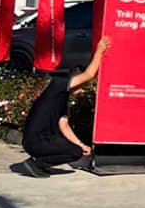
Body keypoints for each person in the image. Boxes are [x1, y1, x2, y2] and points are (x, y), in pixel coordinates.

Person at [19, 36, 110, 178]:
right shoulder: (59, 85)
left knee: (76, 150)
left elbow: (64, 126)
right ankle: (37, 163)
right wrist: (100, 51)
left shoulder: (61, 97)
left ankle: (40, 162)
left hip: (37, 142)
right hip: (37, 141)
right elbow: (89, 74)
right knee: (74, 152)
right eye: (82, 85)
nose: (83, 89)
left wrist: (81, 145)